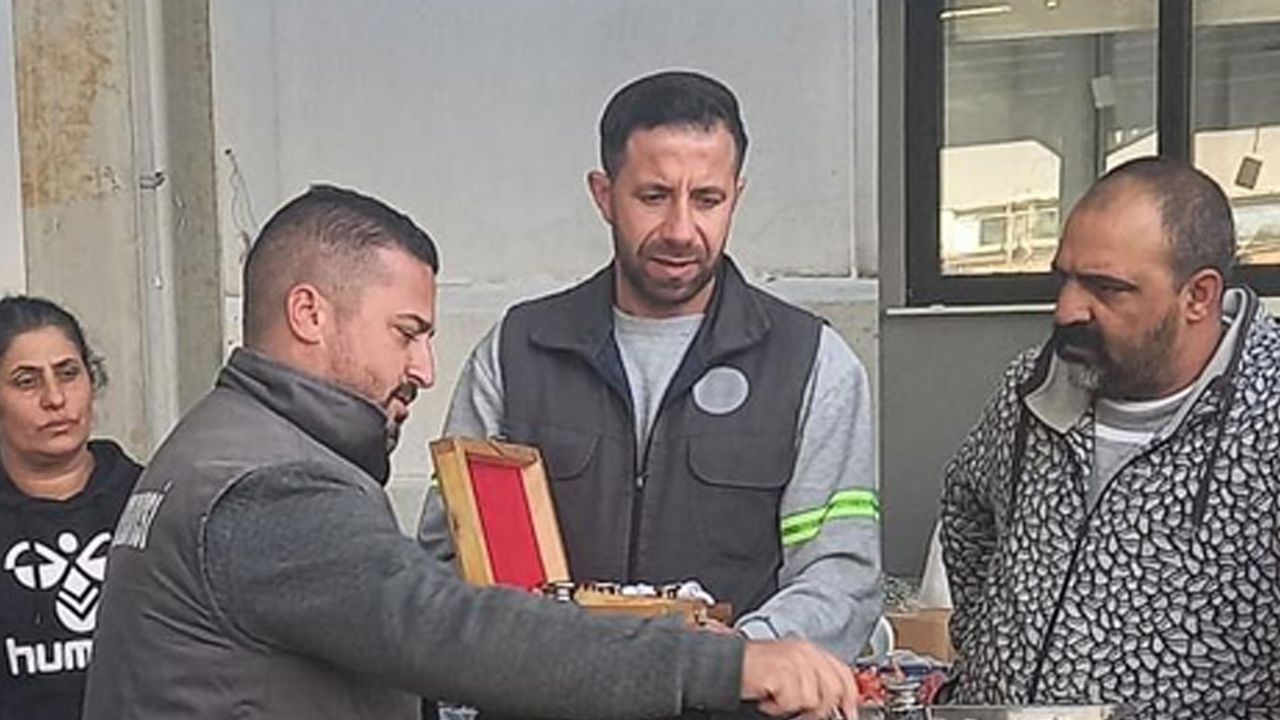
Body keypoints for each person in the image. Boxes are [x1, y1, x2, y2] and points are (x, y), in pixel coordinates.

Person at [82, 185, 859, 720]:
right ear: (310, 314)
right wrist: (723, 665)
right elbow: (447, 628)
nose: (425, 368)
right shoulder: (271, 488)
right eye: (406, 333)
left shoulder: (217, 445)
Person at [419, 69, 881, 671]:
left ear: (736, 196)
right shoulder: (517, 353)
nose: (681, 230)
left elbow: (841, 577)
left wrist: (728, 662)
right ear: (604, 195)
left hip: (732, 705)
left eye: (707, 199)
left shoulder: (814, 365)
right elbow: (448, 558)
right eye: (654, 197)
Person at [940, 157, 1280, 718]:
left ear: (1198, 296)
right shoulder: (1031, 388)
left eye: (1106, 288)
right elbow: (966, 512)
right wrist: (986, 648)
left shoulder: (1264, 417)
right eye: (1064, 278)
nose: (1067, 310)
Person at [0, 296, 142, 720]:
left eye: (68, 374)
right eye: (27, 382)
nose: (55, 398)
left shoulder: (151, 501)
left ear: (91, 381)